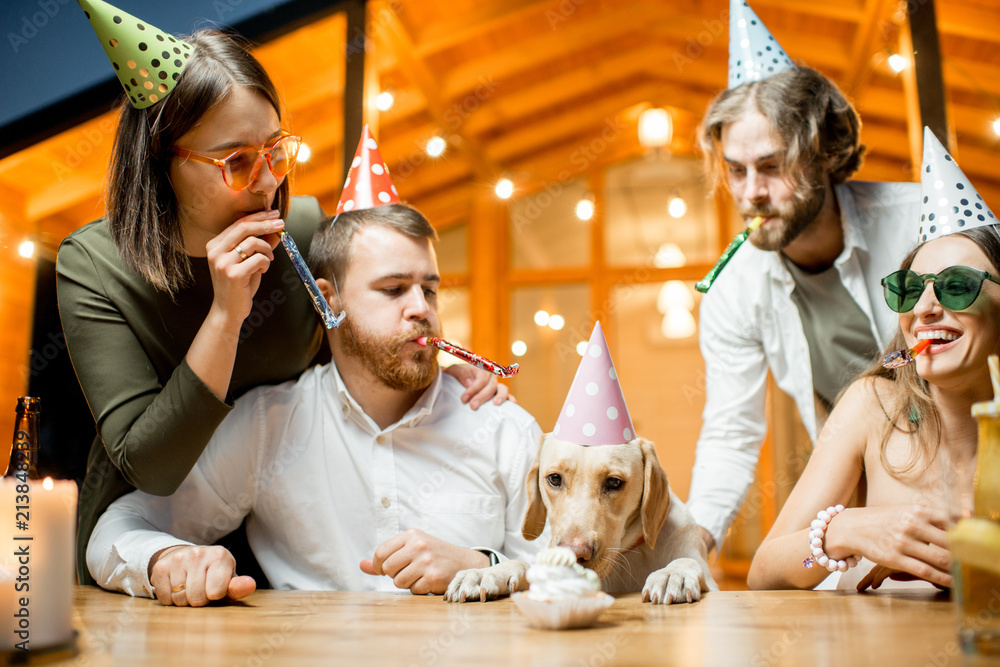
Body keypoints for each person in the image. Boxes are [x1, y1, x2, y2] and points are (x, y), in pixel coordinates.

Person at [59, 10, 505, 585]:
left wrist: (434, 363)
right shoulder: (93, 266)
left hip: (278, 529)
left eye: (275, 150)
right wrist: (226, 314)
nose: (269, 181)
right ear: (161, 159)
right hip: (150, 535)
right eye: (237, 162)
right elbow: (153, 466)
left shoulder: (299, 229)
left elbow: (355, 345)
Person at [86, 203, 546, 606]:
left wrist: (482, 566)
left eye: (429, 289)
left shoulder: (503, 426)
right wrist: (164, 561)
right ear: (329, 300)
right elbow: (118, 528)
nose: (421, 308)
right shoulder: (269, 425)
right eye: (393, 289)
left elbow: (574, 574)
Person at [686, 0, 920, 554]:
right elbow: (731, 431)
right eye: (736, 172)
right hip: (860, 515)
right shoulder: (732, 290)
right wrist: (694, 537)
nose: (750, 194)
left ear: (825, 152)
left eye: (772, 166)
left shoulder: (919, 224)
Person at [747, 131, 999, 591]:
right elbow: (766, 573)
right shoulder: (873, 405)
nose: (923, 309)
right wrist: (845, 531)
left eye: (957, 285)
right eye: (908, 289)